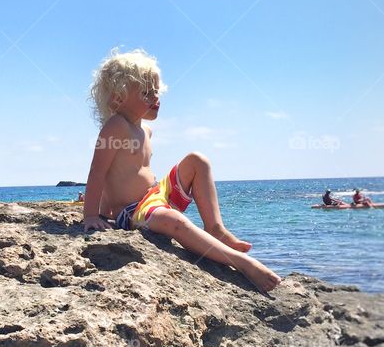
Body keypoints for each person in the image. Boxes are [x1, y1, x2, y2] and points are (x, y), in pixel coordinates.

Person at [80, 48, 281, 293]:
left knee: (197, 160)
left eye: (156, 91)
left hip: (156, 196)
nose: (155, 97)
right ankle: (242, 263)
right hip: (134, 211)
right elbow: (98, 173)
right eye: (145, 93)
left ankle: (215, 229)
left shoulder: (145, 131)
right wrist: (93, 215)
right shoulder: (115, 127)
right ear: (118, 98)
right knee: (174, 221)